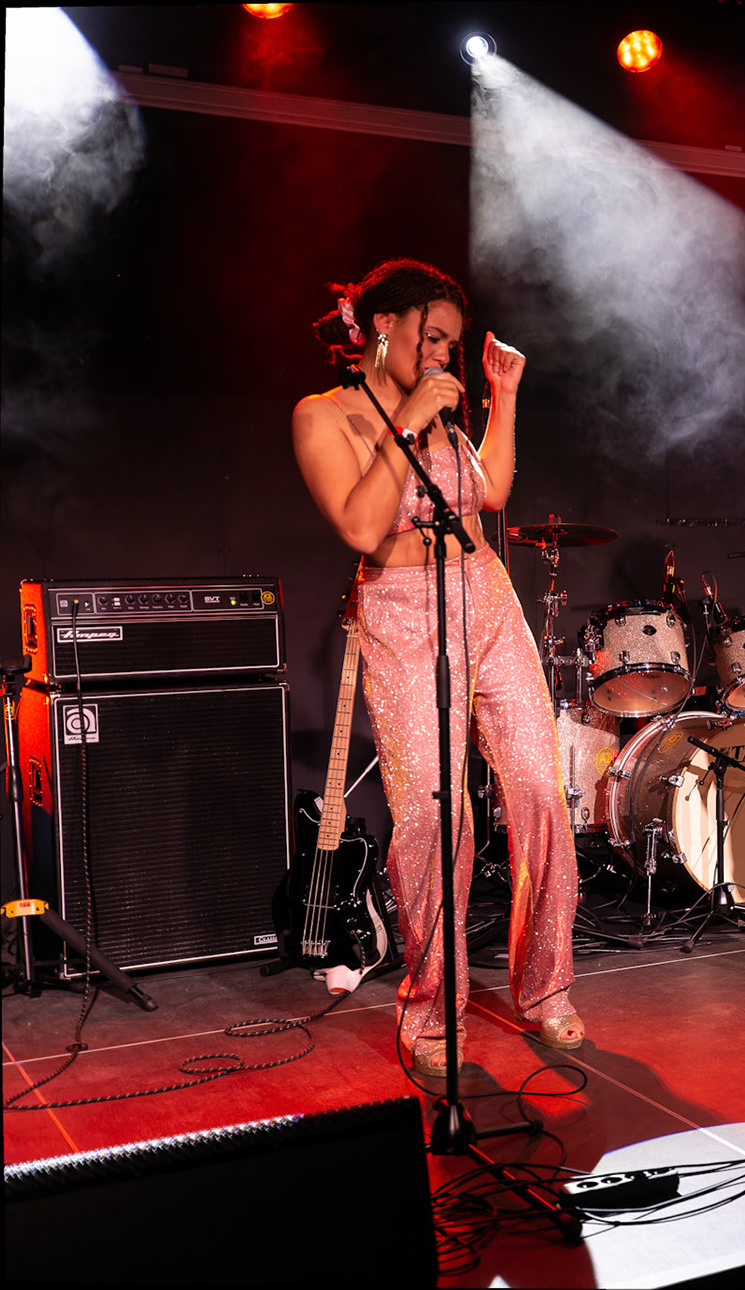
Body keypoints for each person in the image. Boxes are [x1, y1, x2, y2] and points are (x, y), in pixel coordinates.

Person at [292, 259, 583, 1073]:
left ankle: (547, 988)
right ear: (382, 328)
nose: (444, 355)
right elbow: (360, 525)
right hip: (397, 607)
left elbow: (486, 495)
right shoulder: (324, 415)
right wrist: (406, 422)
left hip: (483, 593)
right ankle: (430, 1005)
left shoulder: (447, 411)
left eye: (452, 343)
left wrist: (504, 398)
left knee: (536, 786)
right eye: (433, 338)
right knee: (430, 815)